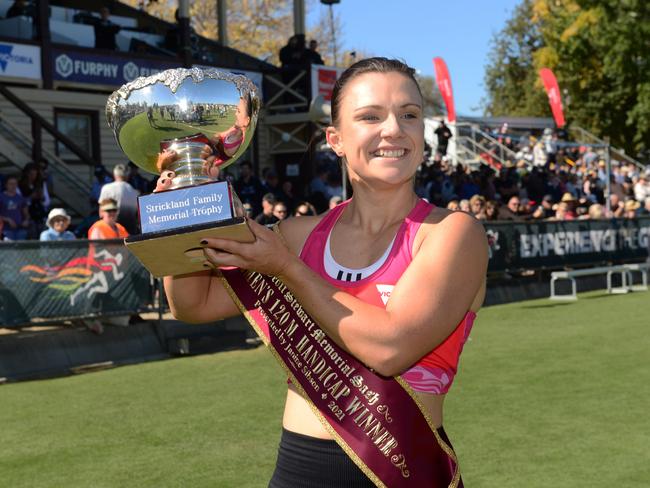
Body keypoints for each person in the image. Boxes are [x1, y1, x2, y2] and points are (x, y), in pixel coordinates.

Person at [160, 58, 487, 486]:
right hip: (299, 468)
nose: (394, 129)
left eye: (409, 115)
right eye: (370, 116)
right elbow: (193, 304)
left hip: (403, 467)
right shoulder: (299, 235)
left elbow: (391, 349)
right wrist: (182, 214)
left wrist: (286, 268)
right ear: (335, 139)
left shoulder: (451, 233)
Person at [98, 164, 140, 234]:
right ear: (127, 176)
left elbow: (101, 213)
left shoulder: (107, 188)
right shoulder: (135, 192)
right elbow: (137, 216)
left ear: (114, 175)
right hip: (130, 233)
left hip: (111, 230)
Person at [0, 175, 30, 240]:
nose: (13, 186)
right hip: (5, 230)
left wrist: (26, 221)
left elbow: (26, 214)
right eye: (11, 184)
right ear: (6, 185)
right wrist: (7, 219)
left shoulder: (20, 198)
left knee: (21, 248)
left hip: (20, 229)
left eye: (15, 184)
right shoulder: (1, 197)